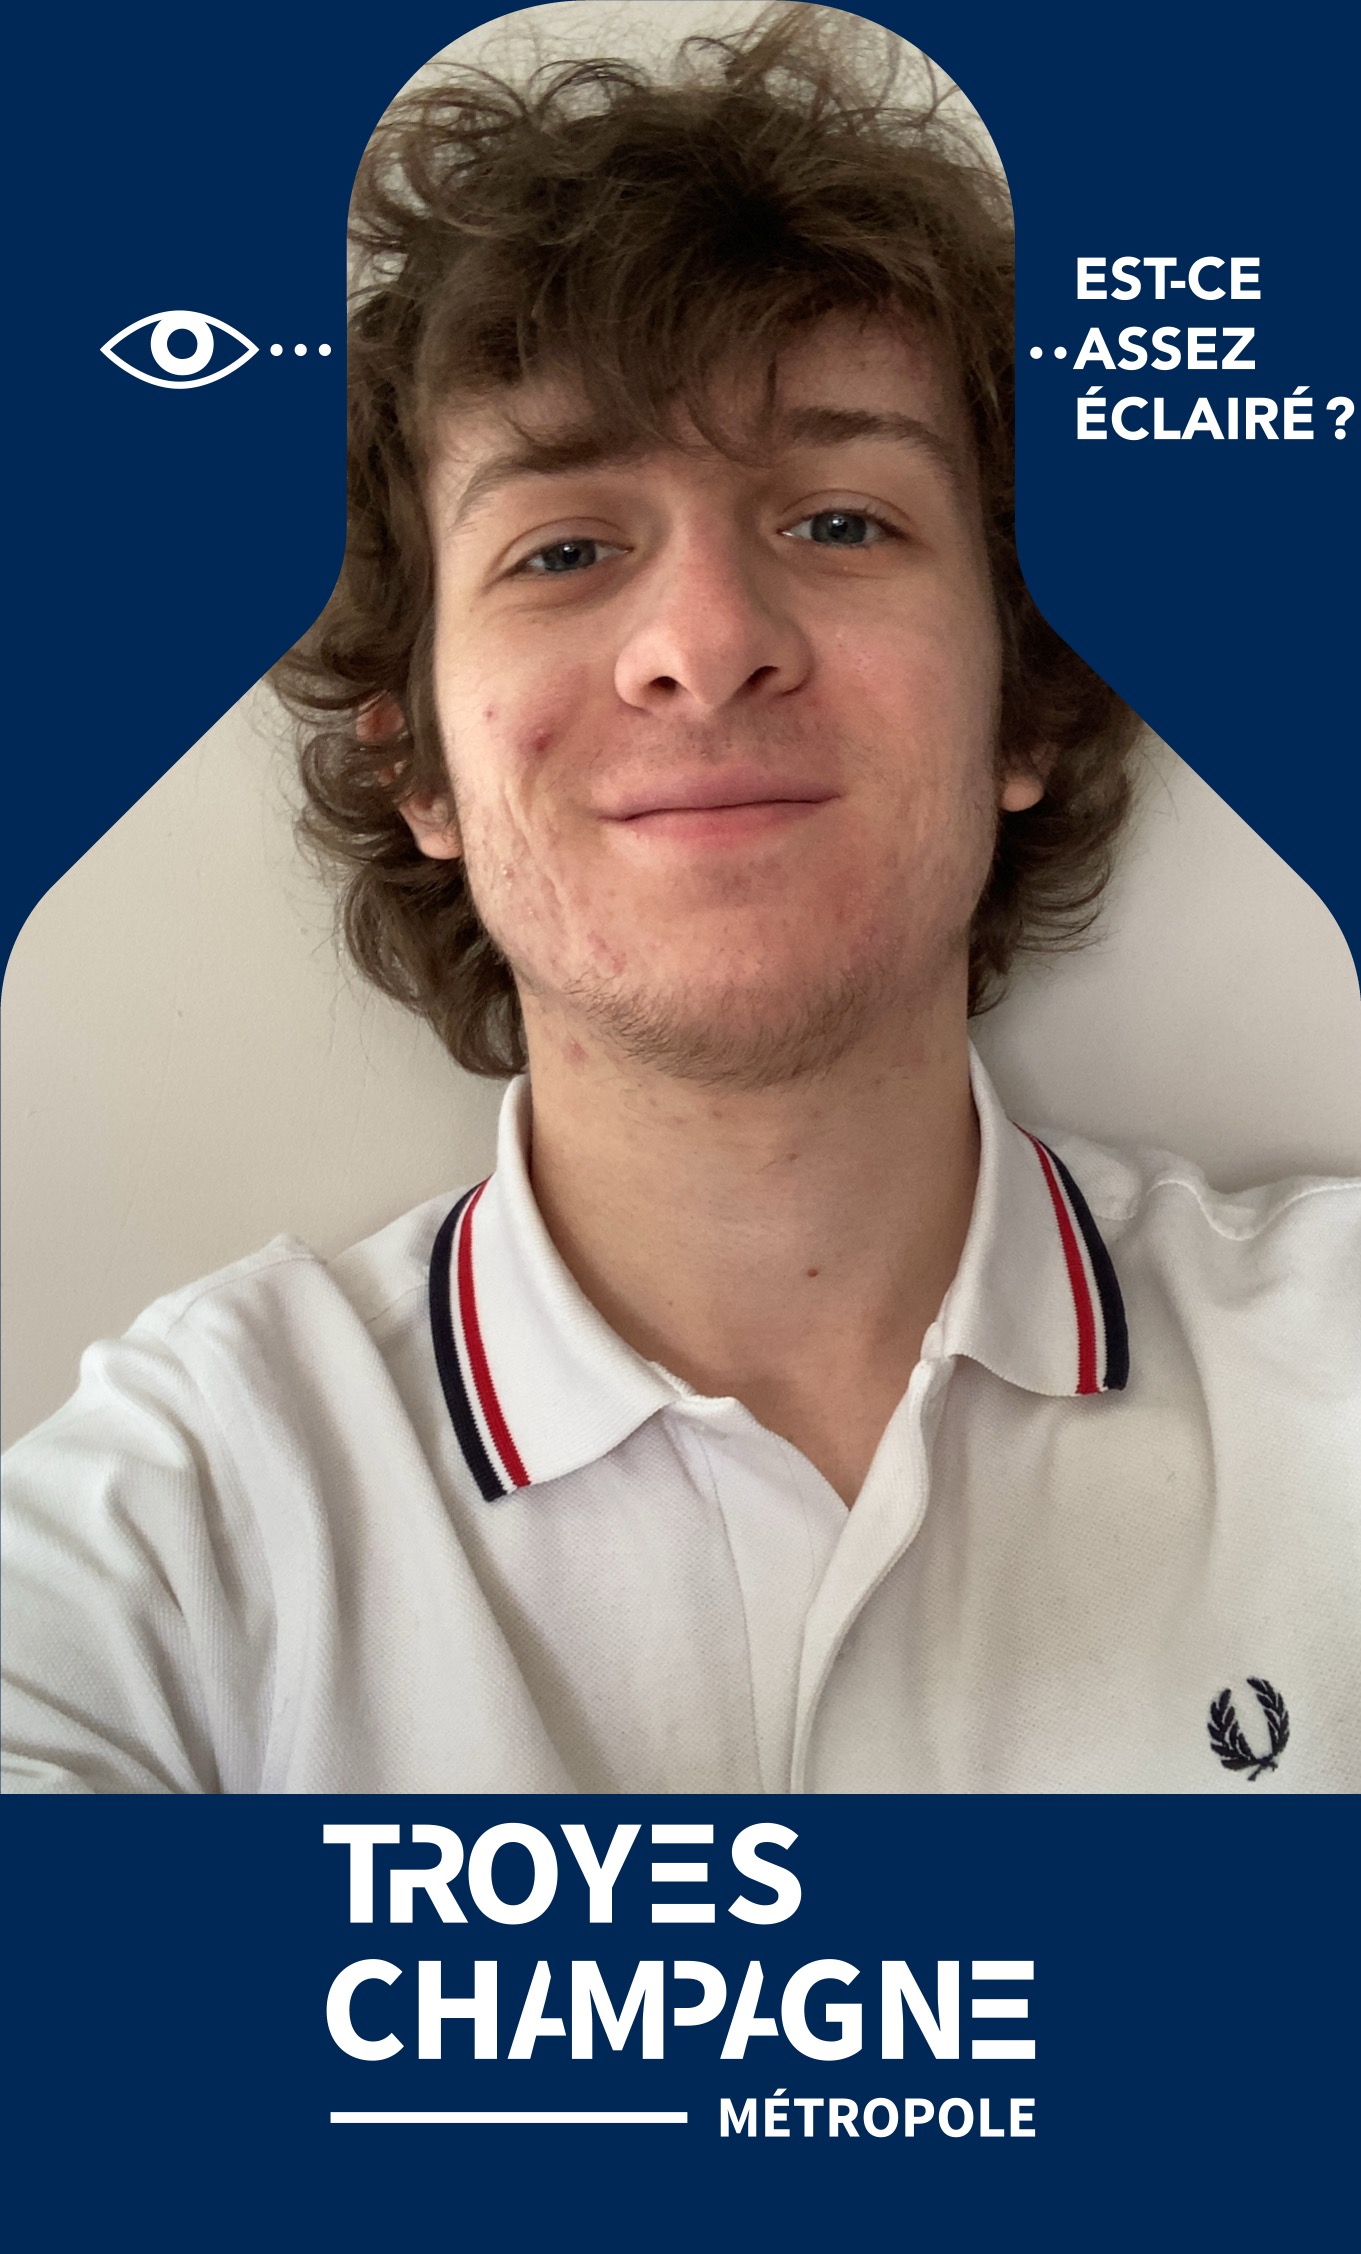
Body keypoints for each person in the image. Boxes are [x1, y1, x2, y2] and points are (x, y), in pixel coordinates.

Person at [3, 6, 1357, 1795]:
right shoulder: (177, 1526)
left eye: (841, 521)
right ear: (419, 767)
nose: (705, 643)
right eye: (562, 549)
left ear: (1025, 702)